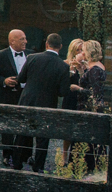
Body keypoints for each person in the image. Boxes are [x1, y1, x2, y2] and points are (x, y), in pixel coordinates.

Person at [16, 33, 72, 173]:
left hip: (28, 101)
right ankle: (38, 166)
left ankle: (16, 162)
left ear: (46, 44)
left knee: (22, 132)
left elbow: (21, 79)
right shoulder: (63, 66)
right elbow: (63, 92)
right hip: (47, 104)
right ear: (60, 47)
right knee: (43, 137)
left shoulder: (32, 58)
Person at [0, 29, 29, 169]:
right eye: (22, 39)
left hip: (24, 96)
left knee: (24, 125)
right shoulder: (0, 55)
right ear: (12, 41)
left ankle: (23, 155)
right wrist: (4, 81)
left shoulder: (30, 55)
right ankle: (7, 155)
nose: (25, 42)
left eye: (25, 39)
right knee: (7, 126)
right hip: (6, 95)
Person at [69, 39, 108, 173]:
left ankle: (86, 169)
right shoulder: (94, 67)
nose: (82, 53)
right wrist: (81, 70)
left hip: (89, 109)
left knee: (88, 141)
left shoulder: (95, 69)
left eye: (84, 50)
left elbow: (94, 93)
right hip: (87, 108)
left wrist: (78, 89)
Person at [60, 38, 85, 164]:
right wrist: (71, 70)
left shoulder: (87, 65)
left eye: (82, 50)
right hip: (70, 97)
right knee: (67, 127)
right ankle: (64, 153)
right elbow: (63, 84)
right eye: (77, 50)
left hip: (81, 98)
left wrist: (81, 69)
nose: (80, 52)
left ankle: (76, 156)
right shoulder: (65, 63)